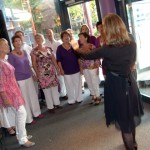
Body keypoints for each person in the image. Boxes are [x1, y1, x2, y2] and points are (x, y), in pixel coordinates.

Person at [78, 14, 144, 150]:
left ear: (109, 29)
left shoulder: (107, 49)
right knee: (130, 115)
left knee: (124, 121)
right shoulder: (132, 44)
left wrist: (74, 47)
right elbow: (132, 63)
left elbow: (85, 55)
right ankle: (134, 143)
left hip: (115, 84)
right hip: (130, 82)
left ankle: (131, 146)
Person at [0, 38, 35, 147]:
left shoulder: (4, 60)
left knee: (19, 113)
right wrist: (4, 97)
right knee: (22, 113)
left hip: (13, 90)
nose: (8, 46)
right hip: (8, 93)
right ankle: (22, 139)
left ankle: (21, 135)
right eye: (5, 44)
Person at [8, 35, 43, 124]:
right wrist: (15, 82)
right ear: (13, 43)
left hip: (29, 77)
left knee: (33, 96)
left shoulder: (24, 51)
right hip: (20, 80)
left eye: (19, 40)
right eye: (16, 41)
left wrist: (33, 74)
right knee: (25, 99)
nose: (18, 42)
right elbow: (11, 71)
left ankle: (37, 113)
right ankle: (29, 119)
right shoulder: (11, 55)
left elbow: (28, 65)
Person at [31, 33, 61, 112]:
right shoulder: (34, 51)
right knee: (46, 90)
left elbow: (53, 59)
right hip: (42, 73)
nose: (38, 39)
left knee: (54, 87)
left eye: (39, 38)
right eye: (36, 38)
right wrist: (37, 73)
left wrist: (57, 68)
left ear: (42, 39)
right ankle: (50, 107)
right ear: (35, 40)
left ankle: (56, 103)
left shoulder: (48, 48)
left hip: (51, 71)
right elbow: (33, 64)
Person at [56, 31, 83, 105]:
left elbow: (79, 58)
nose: (66, 37)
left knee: (77, 84)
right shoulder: (59, 48)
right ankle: (71, 99)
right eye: (64, 36)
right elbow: (58, 60)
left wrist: (81, 68)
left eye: (67, 36)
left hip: (76, 69)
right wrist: (61, 69)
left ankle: (79, 98)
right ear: (62, 38)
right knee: (69, 85)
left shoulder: (74, 45)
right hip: (66, 70)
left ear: (69, 37)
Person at [78, 32, 101, 105]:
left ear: (86, 38)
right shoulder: (80, 48)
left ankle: (98, 96)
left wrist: (97, 67)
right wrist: (81, 68)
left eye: (81, 37)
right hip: (85, 68)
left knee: (94, 81)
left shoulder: (92, 46)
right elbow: (80, 60)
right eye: (79, 37)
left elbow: (97, 57)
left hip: (92, 66)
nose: (80, 39)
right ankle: (93, 96)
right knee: (89, 82)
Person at [46, 29, 67, 100]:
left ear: (53, 34)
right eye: (47, 33)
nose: (49, 34)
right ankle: (56, 96)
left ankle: (63, 93)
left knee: (61, 78)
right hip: (50, 65)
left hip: (58, 63)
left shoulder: (58, 43)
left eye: (50, 33)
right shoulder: (45, 45)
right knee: (54, 80)